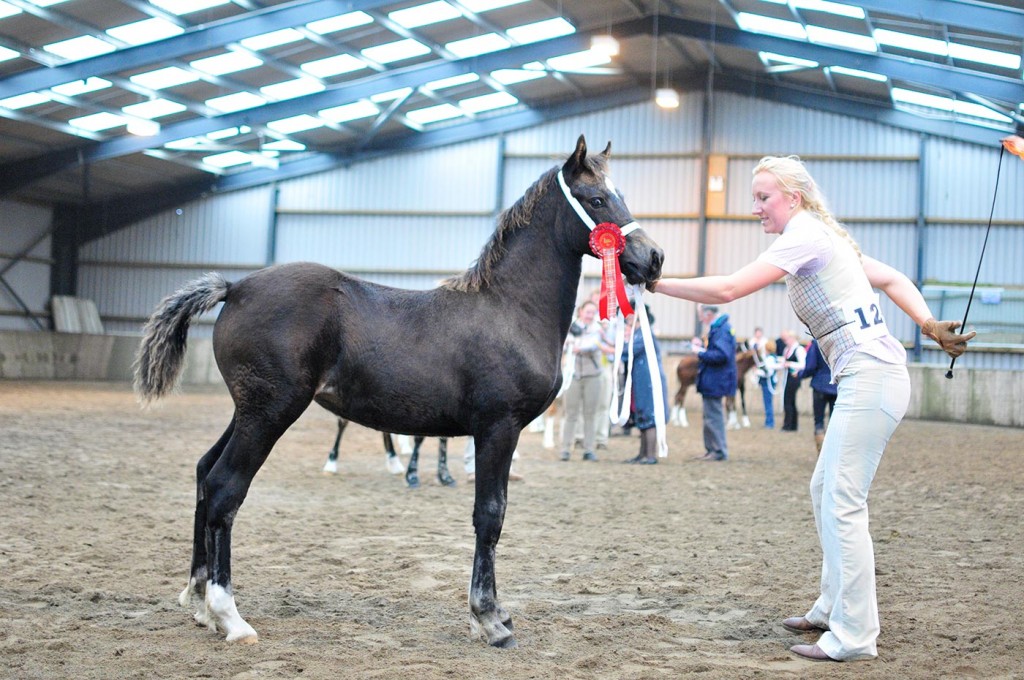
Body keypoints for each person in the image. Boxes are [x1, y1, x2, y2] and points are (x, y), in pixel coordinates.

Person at [649, 154, 973, 662]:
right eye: (755, 197)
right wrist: (928, 324)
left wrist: (657, 283)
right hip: (869, 376)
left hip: (872, 376)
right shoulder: (823, 237)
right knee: (826, 489)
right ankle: (831, 606)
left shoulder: (804, 235)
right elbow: (892, 279)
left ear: (792, 198)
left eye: (763, 197)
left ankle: (854, 635)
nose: (755, 207)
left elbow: (730, 289)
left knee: (843, 501)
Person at [560, 300, 610, 462]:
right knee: (570, 414)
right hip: (573, 375)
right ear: (580, 312)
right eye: (587, 312)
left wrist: (577, 345)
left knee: (590, 414)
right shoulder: (570, 327)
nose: (590, 316)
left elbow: (593, 345)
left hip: (593, 376)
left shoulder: (597, 329)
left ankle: (589, 449)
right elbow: (563, 341)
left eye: (592, 313)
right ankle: (565, 449)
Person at [621, 308, 668, 464]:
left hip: (649, 381)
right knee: (642, 414)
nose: (627, 319)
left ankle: (650, 455)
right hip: (641, 380)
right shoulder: (639, 333)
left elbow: (629, 351)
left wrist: (609, 347)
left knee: (649, 416)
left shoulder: (644, 334)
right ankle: (642, 454)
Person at [693, 304, 736, 462]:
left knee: (714, 416)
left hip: (716, 380)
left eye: (701, 315)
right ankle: (712, 449)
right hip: (713, 380)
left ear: (708, 314)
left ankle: (718, 450)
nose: (700, 319)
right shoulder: (720, 329)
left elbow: (721, 355)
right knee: (710, 416)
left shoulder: (721, 330)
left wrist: (701, 353)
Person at [799, 339, 837, 454]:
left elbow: (810, 366)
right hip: (837, 386)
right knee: (834, 421)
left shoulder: (817, 343)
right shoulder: (839, 341)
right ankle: (833, 452)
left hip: (820, 385)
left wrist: (801, 374)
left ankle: (821, 453)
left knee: (819, 421)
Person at [747, 327, 778, 428]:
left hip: (768, 383)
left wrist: (758, 372)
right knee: (767, 402)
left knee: (768, 403)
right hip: (767, 382)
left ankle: (770, 423)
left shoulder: (770, 359)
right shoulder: (770, 358)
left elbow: (767, 372)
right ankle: (768, 422)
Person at [779, 330, 806, 431]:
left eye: (788, 338)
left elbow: (803, 365)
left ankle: (788, 425)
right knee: (790, 401)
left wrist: (789, 364)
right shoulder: (787, 349)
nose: (786, 340)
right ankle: (792, 425)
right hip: (787, 377)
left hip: (794, 378)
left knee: (788, 401)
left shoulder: (799, 349)